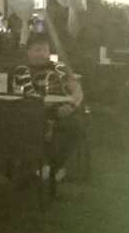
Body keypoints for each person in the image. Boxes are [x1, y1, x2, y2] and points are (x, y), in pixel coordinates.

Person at [13, 31, 84, 178]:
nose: (42, 54)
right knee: (43, 125)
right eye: (37, 50)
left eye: (45, 50)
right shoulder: (22, 70)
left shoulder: (59, 68)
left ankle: (54, 165)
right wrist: (52, 109)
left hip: (64, 109)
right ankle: (48, 166)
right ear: (28, 52)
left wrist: (72, 106)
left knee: (76, 125)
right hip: (35, 112)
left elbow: (76, 89)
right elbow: (26, 96)